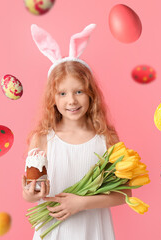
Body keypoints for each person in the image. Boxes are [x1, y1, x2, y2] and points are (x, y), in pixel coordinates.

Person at [21, 23, 132, 240]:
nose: (71, 100)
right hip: (53, 232)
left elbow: (124, 193)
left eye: (79, 91)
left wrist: (81, 203)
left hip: (92, 231)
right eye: (62, 94)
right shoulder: (42, 139)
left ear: (91, 94)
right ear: (52, 99)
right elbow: (28, 193)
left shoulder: (106, 138)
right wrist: (30, 192)